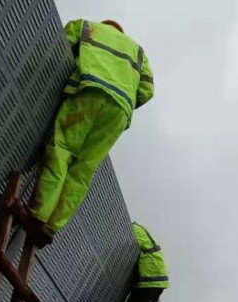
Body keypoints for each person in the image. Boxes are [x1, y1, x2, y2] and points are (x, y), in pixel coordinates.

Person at [26, 19, 154, 246]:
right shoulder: (139, 53)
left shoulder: (87, 26)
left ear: (106, 25)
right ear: (121, 32)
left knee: (62, 149)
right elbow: (147, 90)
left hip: (88, 91)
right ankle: (52, 226)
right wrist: (124, 98)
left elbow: (60, 45)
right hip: (119, 112)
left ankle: (38, 214)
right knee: (83, 169)